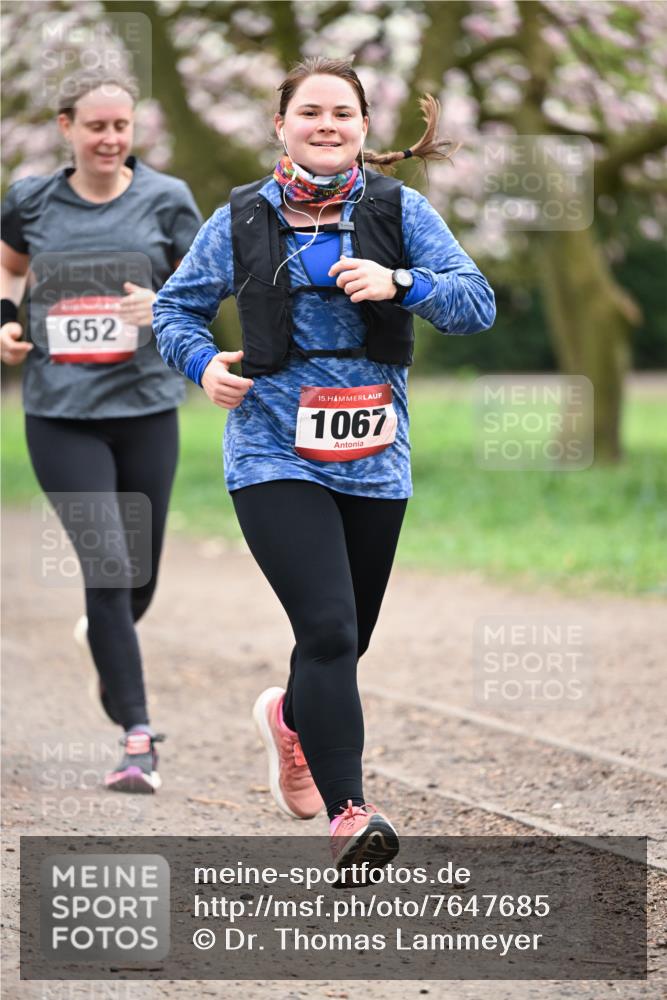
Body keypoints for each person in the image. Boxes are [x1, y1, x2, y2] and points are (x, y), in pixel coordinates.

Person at [153, 57, 495, 875]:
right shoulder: (241, 217)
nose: (326, 125)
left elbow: (475, 303)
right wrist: (201, 365)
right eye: (309, 112)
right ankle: (351, 812)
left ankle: (290, 721)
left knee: (347, 638)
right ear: (281, 125)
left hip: (374, 455)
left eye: (342, 112)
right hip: (272, 448)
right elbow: (175, 308)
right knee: (330, 629)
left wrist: (399, 280)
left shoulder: (399, 211)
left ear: (363, 127)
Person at [1, 70, 202, 793]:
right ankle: (137, 737)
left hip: (146, 405)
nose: (111, 139)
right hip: (61, 414)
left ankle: (107, 633)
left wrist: (166, 304)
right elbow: (9, 268)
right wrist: (5, 322)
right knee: (109, 567)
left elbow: (203, 285)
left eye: (122, 126)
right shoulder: (30, 200)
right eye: (96, 127)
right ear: (66, 128)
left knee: (136, 576)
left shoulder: (167, 200)